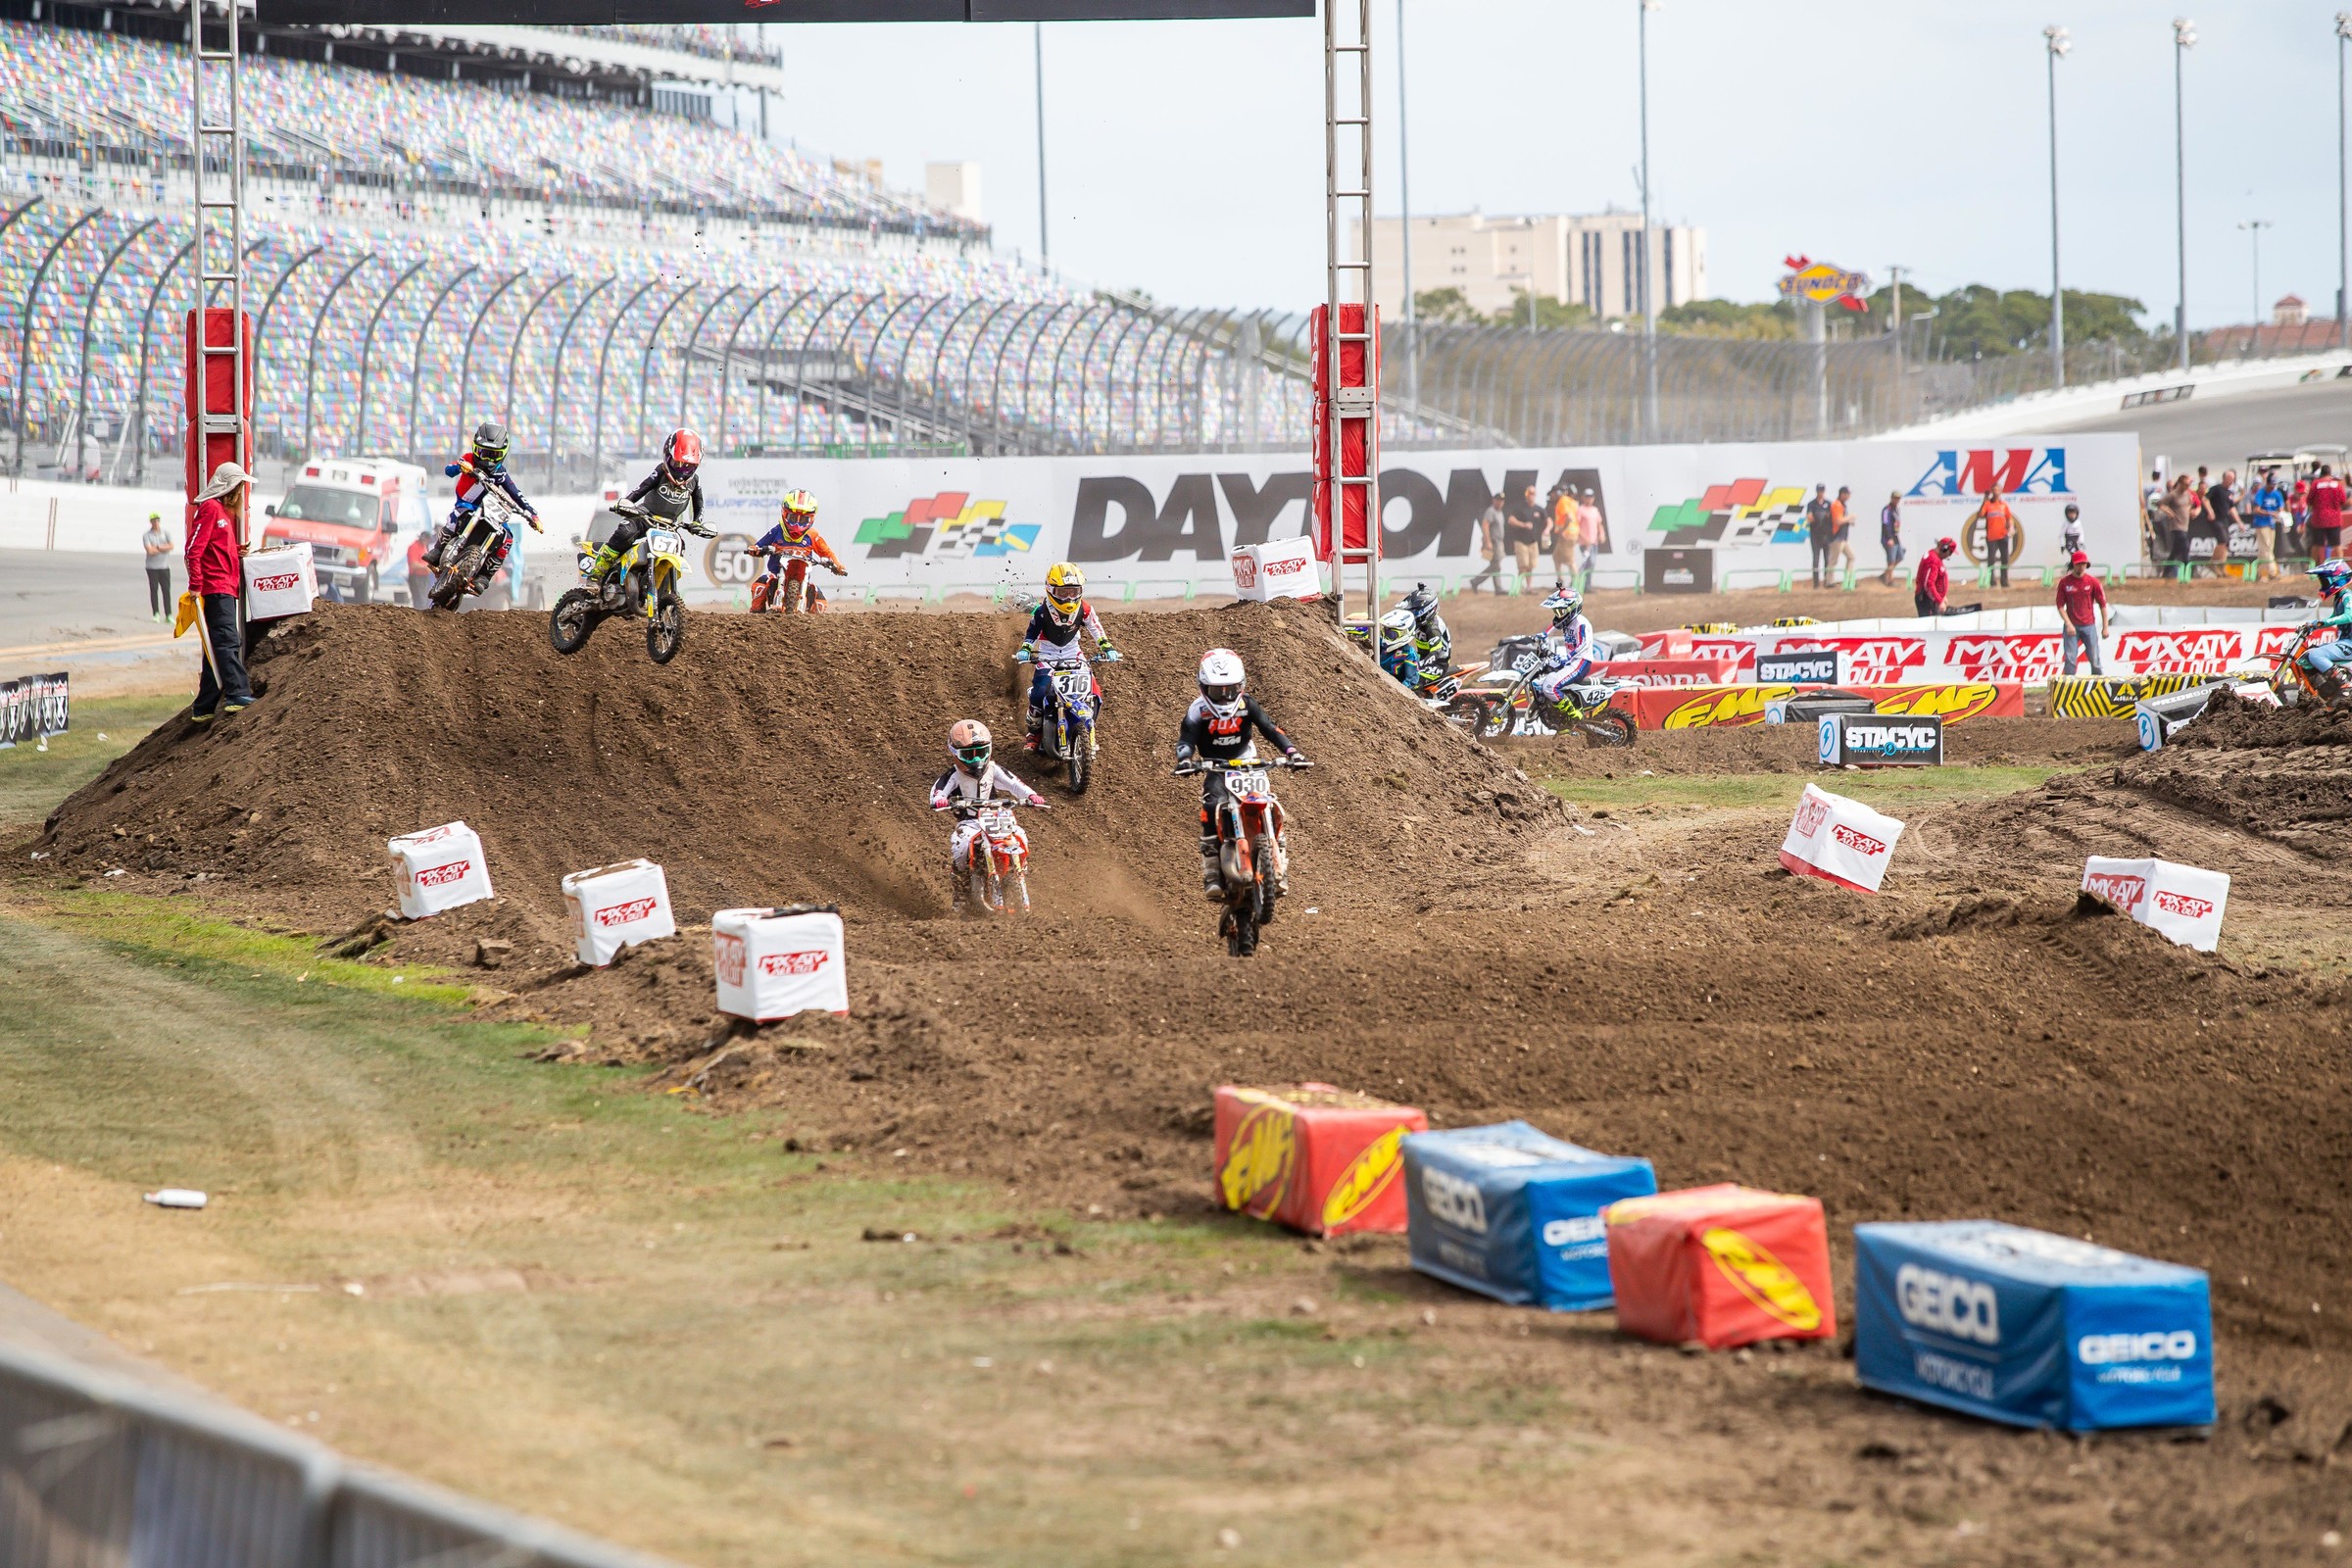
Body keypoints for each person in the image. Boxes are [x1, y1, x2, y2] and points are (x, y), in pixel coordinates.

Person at [1174, 648, 1306, 899]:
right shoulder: (1197, 710)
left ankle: (1280, 862)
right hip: (1216, 765)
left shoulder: (1247, 704)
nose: (1225, 697)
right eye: (1217, 691)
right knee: (1211, 805)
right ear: (1203, 686)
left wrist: (1292, 752)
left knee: (1271, 804)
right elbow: (1186, 739)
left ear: (1241, 685)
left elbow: (1270, 728)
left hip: (1248, 761)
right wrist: (1184, 760)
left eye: (1231, 689)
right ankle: (1212, 873)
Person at [930, 720, 1049, 908]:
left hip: (995, 816)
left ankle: (1019, 869)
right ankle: (960, 890)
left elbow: (1015, 784)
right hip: (969, 822)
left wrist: (1032, 796)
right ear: (955, 754)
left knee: (1020, 835)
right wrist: (939, 800)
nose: (976, 760)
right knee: (960, 847)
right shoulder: (954, 775)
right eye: (968, 755)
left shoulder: (993, 769)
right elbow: (938, 791)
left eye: (980, 753)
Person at [1019, 562, 1121, 750]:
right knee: (1040, 692)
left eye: (1073, 592)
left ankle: (1086, 726)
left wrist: (1106, 646)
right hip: (1047, 653)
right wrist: (1026, 648)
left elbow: (1095, 627)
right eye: (1063, 593)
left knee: (1095, 691)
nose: (1069, 598)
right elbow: (1032, 631)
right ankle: (1034, 734)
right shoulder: (1043, 610)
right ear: (1051, 589)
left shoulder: (1085, 608)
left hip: (1073, 652)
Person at [184, 461, 256, 724]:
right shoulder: (210, 509)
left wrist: (236, 551)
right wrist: (195, 584)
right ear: (230, 488)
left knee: (214, 647)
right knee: (227, 641)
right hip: (217, 589)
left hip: (226, 587)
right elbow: (193, 549)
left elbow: (216, 547)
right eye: (240, 486)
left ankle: (204, 705)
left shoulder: (223, 514)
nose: (241, 493)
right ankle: (238, 693)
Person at [424, 421, 540, 582]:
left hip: (490, 509)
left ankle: (484, 577)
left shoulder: (501, 474)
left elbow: (516, 494)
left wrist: (533, 515)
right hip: (467, 504)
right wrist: (460, 467)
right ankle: (438, 550)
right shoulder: (468, 459)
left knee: (507, 538)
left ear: (502, 454)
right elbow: (448, 470)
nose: (486, 459)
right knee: (455, 516)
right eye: (482, 452)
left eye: (492, 455)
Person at [591, 428, 711, 583]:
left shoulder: (694, 481)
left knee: (680, 546)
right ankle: (598, 573)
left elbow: (699, 505)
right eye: (677, 463)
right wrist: (627, 503)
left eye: (688, 466)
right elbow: (642, 488)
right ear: (667, 456)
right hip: (645, 517)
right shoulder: (661, 471)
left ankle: (661, 587)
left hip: (670, 527)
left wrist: (697, 523)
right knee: (626, 531)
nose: (682, 470)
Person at [748, 488, 845, 611]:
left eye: (803, 520)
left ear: (811, 518)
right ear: (784, 513)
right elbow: (760, 544)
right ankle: (756, 617)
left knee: (821, 603)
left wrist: (837, 565)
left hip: (802, 577)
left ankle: (814, 625)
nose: (797, 524)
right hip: (776, 574)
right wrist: (756, 549)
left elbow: (827, 552)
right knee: (759, 587)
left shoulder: (812, 535)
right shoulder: (778, 530)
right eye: (793, 518)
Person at [1530, 586, 1598, 714]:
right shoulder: (1567, 621)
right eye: (1556, 611)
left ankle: (1574, 716)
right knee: (1541, 668)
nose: (1558, 615)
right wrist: (1544, 634)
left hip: (1580, 662)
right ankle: (1549, 709)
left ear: (1572, 609)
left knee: (1550, 686)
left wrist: (1567, 657)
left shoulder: (1581, 623)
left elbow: (1583, 644)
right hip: (1571, 660)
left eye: (1561, 611)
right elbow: (1555, 625)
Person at [2297, 559, 2352, 701]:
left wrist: (2322, 623)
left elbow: (2348, 616)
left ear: (2336, 579)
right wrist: (2314, 625)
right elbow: (2335, 617)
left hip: (2349, 643)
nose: (2323, 585)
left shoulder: (2347, 596)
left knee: (2316, 655)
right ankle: (2323, 691)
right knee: (2307, 656)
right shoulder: (2339, 598)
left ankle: (2345, 684)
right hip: (2345, 641)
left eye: (2325, 582)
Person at [2055, 550, 2109, 675]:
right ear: (2073, 564)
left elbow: (2103, 604)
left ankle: (2099, 686)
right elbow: (2060, 605)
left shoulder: (2093, 582)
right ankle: (2069, 688)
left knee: (2095, 659)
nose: (2081, 567)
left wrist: (2105, 627)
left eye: (2084, 564)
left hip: (2089, 625)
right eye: (2079, 564)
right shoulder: (2065, 583)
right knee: (2070, 659)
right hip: (2072, 626)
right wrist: (2068, 624)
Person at [1968, 486, 2016, 589]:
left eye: (1998, 491)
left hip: (2003, 535)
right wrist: (1984, 500)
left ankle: (2004, 580)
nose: (1996, 493)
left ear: (2001, 491)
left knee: (2005, 559)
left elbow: (2009, 518)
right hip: (1991, 536)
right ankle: (1992, 581)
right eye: (1994, 491)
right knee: (1991, 559)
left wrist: (2011, 528)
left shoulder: (2004, 505)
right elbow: (1980, 515)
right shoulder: (1988, 504)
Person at [1400, 581, 1451, 676]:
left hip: (1438, 665)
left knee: (1412, 683)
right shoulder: (1420, 623)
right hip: (1423, 659)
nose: (1413, 615)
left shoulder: (1433, 628)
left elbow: (1435, 653)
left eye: (1415, 612)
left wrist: (1417, 665)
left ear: (1427, 610)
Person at [2246, 470, 2285, 581]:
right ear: (2267, 483)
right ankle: (2272, 573)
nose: (2272, 487)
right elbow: (2256, 509)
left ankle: (2261, 573)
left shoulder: (2277, 494)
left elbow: (2281, 507)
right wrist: (2270, 513)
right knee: (2266, 548)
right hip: (2261, 523)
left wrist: (2281, 515)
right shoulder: (2261, 493)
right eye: (2271, 485)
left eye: (2274, 485)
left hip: (2272, 524)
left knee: (2266, 549)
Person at [1504, 483, 1544, 590]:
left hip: (1532, 541)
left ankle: (1528, 586)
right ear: (1526, 495)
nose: (1531, 495)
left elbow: (1548, 520)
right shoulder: (1519, 508)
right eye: (1529, 493)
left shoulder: (1538, 509)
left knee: (1530, 566)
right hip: (1520, 541)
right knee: (1523, 565)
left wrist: (1547, 530)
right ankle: (1518, 586)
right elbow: (1511, 520)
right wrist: (1523, 525)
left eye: (1533, 493)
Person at [1469, 493, 1507, 595]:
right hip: (1493, 542)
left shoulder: (1499, 512)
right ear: (1493, 500)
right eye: (1498, 500)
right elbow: (1485, 525)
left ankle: (1498, 588)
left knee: (1495, 565)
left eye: (1502, 500)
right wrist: (1488, 541)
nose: (1500, 502)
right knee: (1496, 566)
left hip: (1499, 542)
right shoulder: (1491, 511)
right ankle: (1476, 581)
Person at [2310, 464, 2347, 564]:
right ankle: (2340, 568)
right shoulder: (2337, 485)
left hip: (2319, 519)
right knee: (2337, 544)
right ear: (2330, 473)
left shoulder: (2316, 484)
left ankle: (2312, 568)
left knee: (2316, 545)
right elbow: (2343, 500)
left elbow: (2309, 500)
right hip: (2334, 519)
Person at [140, 512, 172, 621]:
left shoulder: (165, 533)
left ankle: (168, 614)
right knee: (154, 590)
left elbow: (171, 546)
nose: (156, 523)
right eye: (154, 521)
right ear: (151, 522)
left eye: (157, 520)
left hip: (164, 566)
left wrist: (157, 547)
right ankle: (156, 613)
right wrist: (164, 548)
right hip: (152, 567)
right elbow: (149, 551)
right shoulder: (147, 535)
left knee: (166, 591)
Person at [1545, 480, 1577, 589]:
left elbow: (1569, 518)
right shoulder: (1571, 501)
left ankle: (1576, 583)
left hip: (1567, 534)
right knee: (1556, 557)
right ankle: (1560, 582)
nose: (1552, 496)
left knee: (1569, 560)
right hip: (1570, 533)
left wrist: (1563, 530)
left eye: (1553, 493)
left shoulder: (1563, 501)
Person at [1915, 536, 1955, 617]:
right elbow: (1929, 584)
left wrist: (1942, 596)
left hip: (1928, 598)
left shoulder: (1933, 556)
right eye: (1950, 553)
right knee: (1929, 626)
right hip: (1926, 599)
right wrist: (1939, 600)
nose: (1949, 556)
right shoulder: (1933, 560)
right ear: (1945, 549)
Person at [1804, 483, 1834, 589]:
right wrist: (1815, 517)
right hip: (1815, 535)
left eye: (1822, 491)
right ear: (1816, 491)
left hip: (1826, 535)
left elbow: (1832, 517)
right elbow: (1809, 517)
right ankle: (1816, 583)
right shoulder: (1811, 504)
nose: (1820, 493)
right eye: (1819, 491)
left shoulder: (1829, 503)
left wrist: (1826, 518)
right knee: (1816, 559)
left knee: (1827, 559)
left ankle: (1827, 581)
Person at [1828, 486, 1856, 584]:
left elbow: (1842, 520)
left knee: (1851, 557)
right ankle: (1829, 582)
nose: (1849, 496)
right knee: (1833, 561)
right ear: (1842, 494)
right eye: (1847, 494)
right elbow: (1838, 521)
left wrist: (1849, 521)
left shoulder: (1843, 505)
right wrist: (1849, 518)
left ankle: (1848, 580)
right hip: (1837, 537)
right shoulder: (1836, 505)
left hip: (1843, 537)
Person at [1578, 488, 1604, 591]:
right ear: (1583, 498)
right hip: (1585, 543)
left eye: (1591, 497)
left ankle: (1586, 585)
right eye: (1587, 497)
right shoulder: (1580, 509)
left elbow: (1599, 524)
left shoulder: (1595, 510)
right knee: (1589, 562)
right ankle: (1581, 583)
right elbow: (1577, 526)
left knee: (1591, 563)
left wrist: (1602, 534)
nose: (1589, 499)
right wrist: (1585, 538)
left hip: (1594, 542)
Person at [1879, 491, 1905, 586]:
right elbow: (1885, 524)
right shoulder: (1886, 510)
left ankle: (1885, 574)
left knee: (1900, 556)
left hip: (1896, 537)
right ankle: (1890, 580)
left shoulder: (1896, 509)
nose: (1897, 500)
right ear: (1891, 498)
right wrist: (1889, 538)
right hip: (1888, 538)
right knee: (1891, 560)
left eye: (1898, 498)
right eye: (1895, 498)